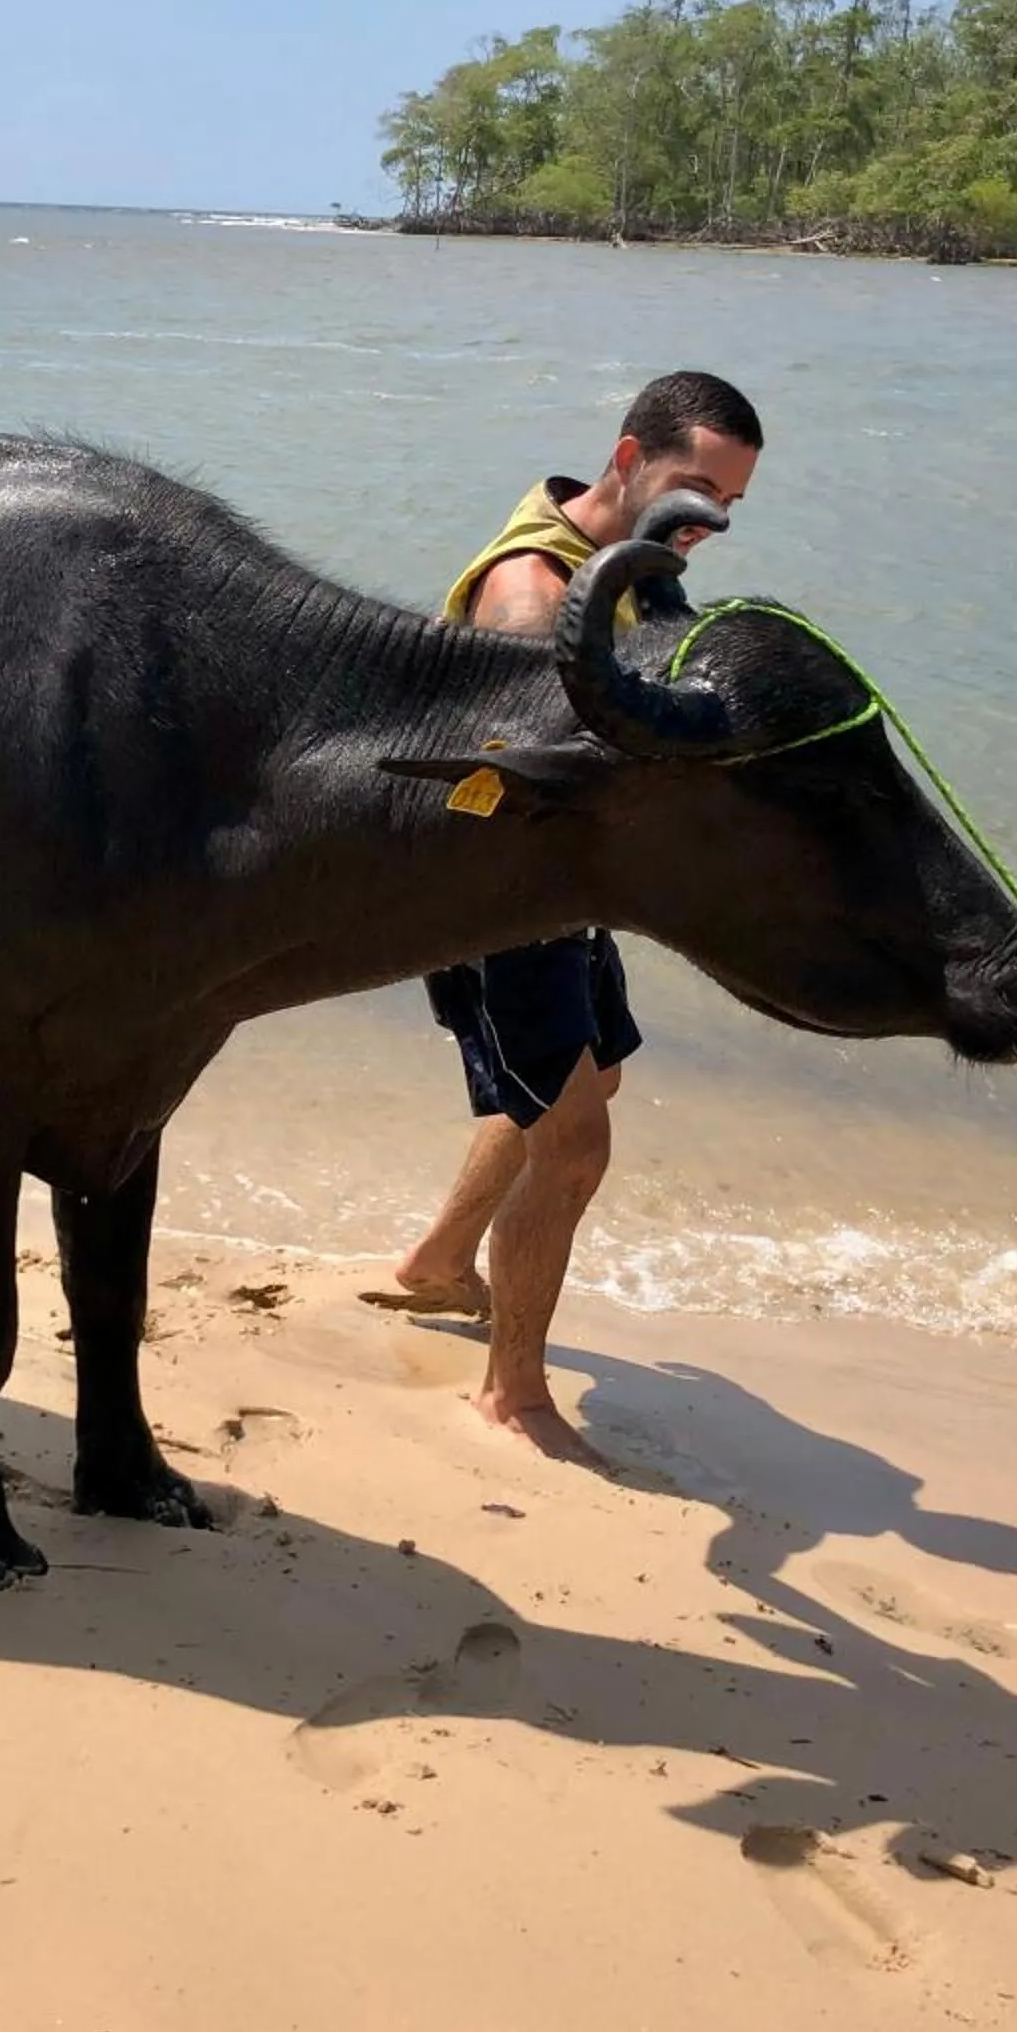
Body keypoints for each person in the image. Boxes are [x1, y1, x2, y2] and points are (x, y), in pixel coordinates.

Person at [368, 371, 765, 1466]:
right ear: (629, 459)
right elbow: (527, 786)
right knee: (577, 1146)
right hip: (497, 896)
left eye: (728, 505)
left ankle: (440, 1264)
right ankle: (514, 1396)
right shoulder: (532, 592)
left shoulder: (622, 571)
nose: (710, 523)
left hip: (569, 892)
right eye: (695, 491)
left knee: (586, 1083)